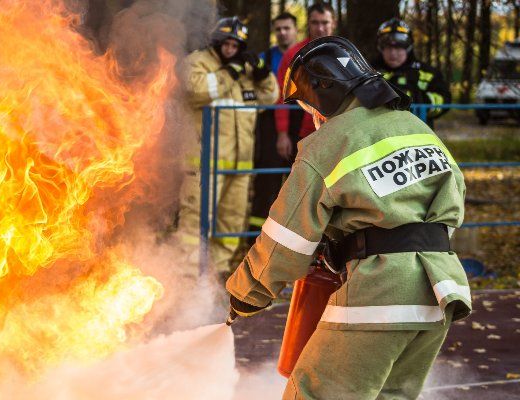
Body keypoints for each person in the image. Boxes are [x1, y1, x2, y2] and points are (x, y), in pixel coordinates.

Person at [226, 36, 471, 399]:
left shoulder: (329, 141)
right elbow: (450, 198)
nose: (314, 116)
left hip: (382, 290)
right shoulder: (415, 126)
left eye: (310, 106)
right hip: (441, 286)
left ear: (323, 91)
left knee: (312, 393)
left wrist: (245, 294)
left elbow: (286, 235)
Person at [177, 16, 278, 277]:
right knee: (196, 223)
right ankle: (187, 277)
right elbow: (196, 91)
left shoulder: (243, 70)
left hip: (239, 164)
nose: (231, 50)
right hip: (204, 163)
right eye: (227, 44)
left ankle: (217, 274)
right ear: (217, 41)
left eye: (237, 45)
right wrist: (228, 73)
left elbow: (270, 97)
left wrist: (263, 74)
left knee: (232, 223)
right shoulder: (197, 63)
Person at [248, 13, 299, 234]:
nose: (283, 33)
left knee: (296, 185)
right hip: (268, 125)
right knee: (266, 184)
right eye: (278, 29)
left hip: (296, 123)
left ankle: (291, 239)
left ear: (295, 30)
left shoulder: (304, 54)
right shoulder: (265, 58)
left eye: (287, 28)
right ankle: (255, 238)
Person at [275, 2, 336, 161]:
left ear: (333, 23)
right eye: (315, 23)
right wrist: (282, 134)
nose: (320, 28)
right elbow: (281, 95)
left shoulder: (344, 51)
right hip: (302, 132)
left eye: (325, 23)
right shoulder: (293, 54)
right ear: (308, 24)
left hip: (337, 130)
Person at [372, 18, 452, 128]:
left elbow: (445, 102)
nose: (393, 53)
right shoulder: (369, 72)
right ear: (381, 48)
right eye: (388, 48)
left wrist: (423, 101)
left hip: (417, 136)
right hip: (378, 134)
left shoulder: (428, 73)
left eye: (399, 48)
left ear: (408, 48)